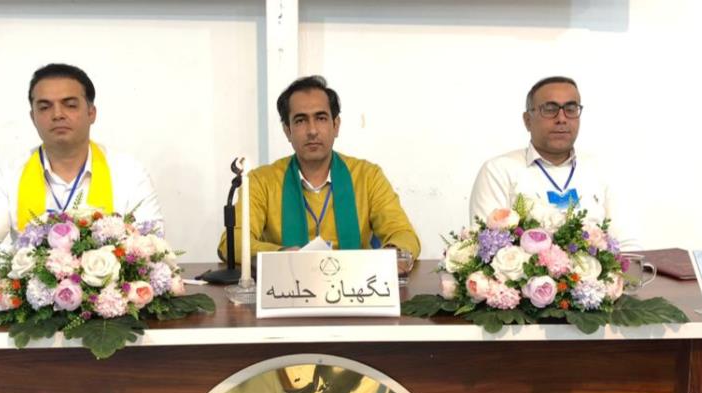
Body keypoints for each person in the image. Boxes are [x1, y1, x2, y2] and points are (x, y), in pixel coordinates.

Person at [0, 63, 162, 270]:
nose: (57, 114)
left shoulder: (129, 173)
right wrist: (29, 263)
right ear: (33, 117)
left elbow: (152, 245)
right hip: (31, 287)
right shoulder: (11, 176)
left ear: (91, 113)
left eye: (70, 105)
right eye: (45, 107)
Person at [217, 75, 420, 261]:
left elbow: (403, 234)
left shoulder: (368, 177)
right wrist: (282, 256)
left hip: (355, 284)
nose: (312, 131)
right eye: (300, 120)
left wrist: (394, 256)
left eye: (321, 118)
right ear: (287, 131)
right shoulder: (262, 181)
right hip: (287, 283)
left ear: (336, 125)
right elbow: (232, 243)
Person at [468, 76, 616, 231]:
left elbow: (625, 240)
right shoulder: (498, 171)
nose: (561, 119)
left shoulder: (600, 169)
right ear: (527, 120)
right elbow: (486, 241)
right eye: (550, 109)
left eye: (570, 109)